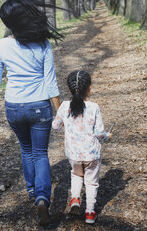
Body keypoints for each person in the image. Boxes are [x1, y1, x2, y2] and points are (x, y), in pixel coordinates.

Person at [0, 0, 62, 226]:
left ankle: (31, 191)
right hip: (39, 107)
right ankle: (42, 200)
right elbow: (51, 85)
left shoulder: (2, 45)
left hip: (14, 107)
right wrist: (59, 113)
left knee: (26, 150)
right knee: (40, 153)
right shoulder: (43, 45)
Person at [52, 70, 112, 224]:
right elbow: (99, 133)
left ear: (69, 89)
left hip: (73, 154)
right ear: (89, 89)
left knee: (77, 175)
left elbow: (55, 126)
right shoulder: (93, 107)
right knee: (91, 182)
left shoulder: (65, 106)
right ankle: (90, 213)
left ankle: (75, 200)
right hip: (91, 154)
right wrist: (107, 137)